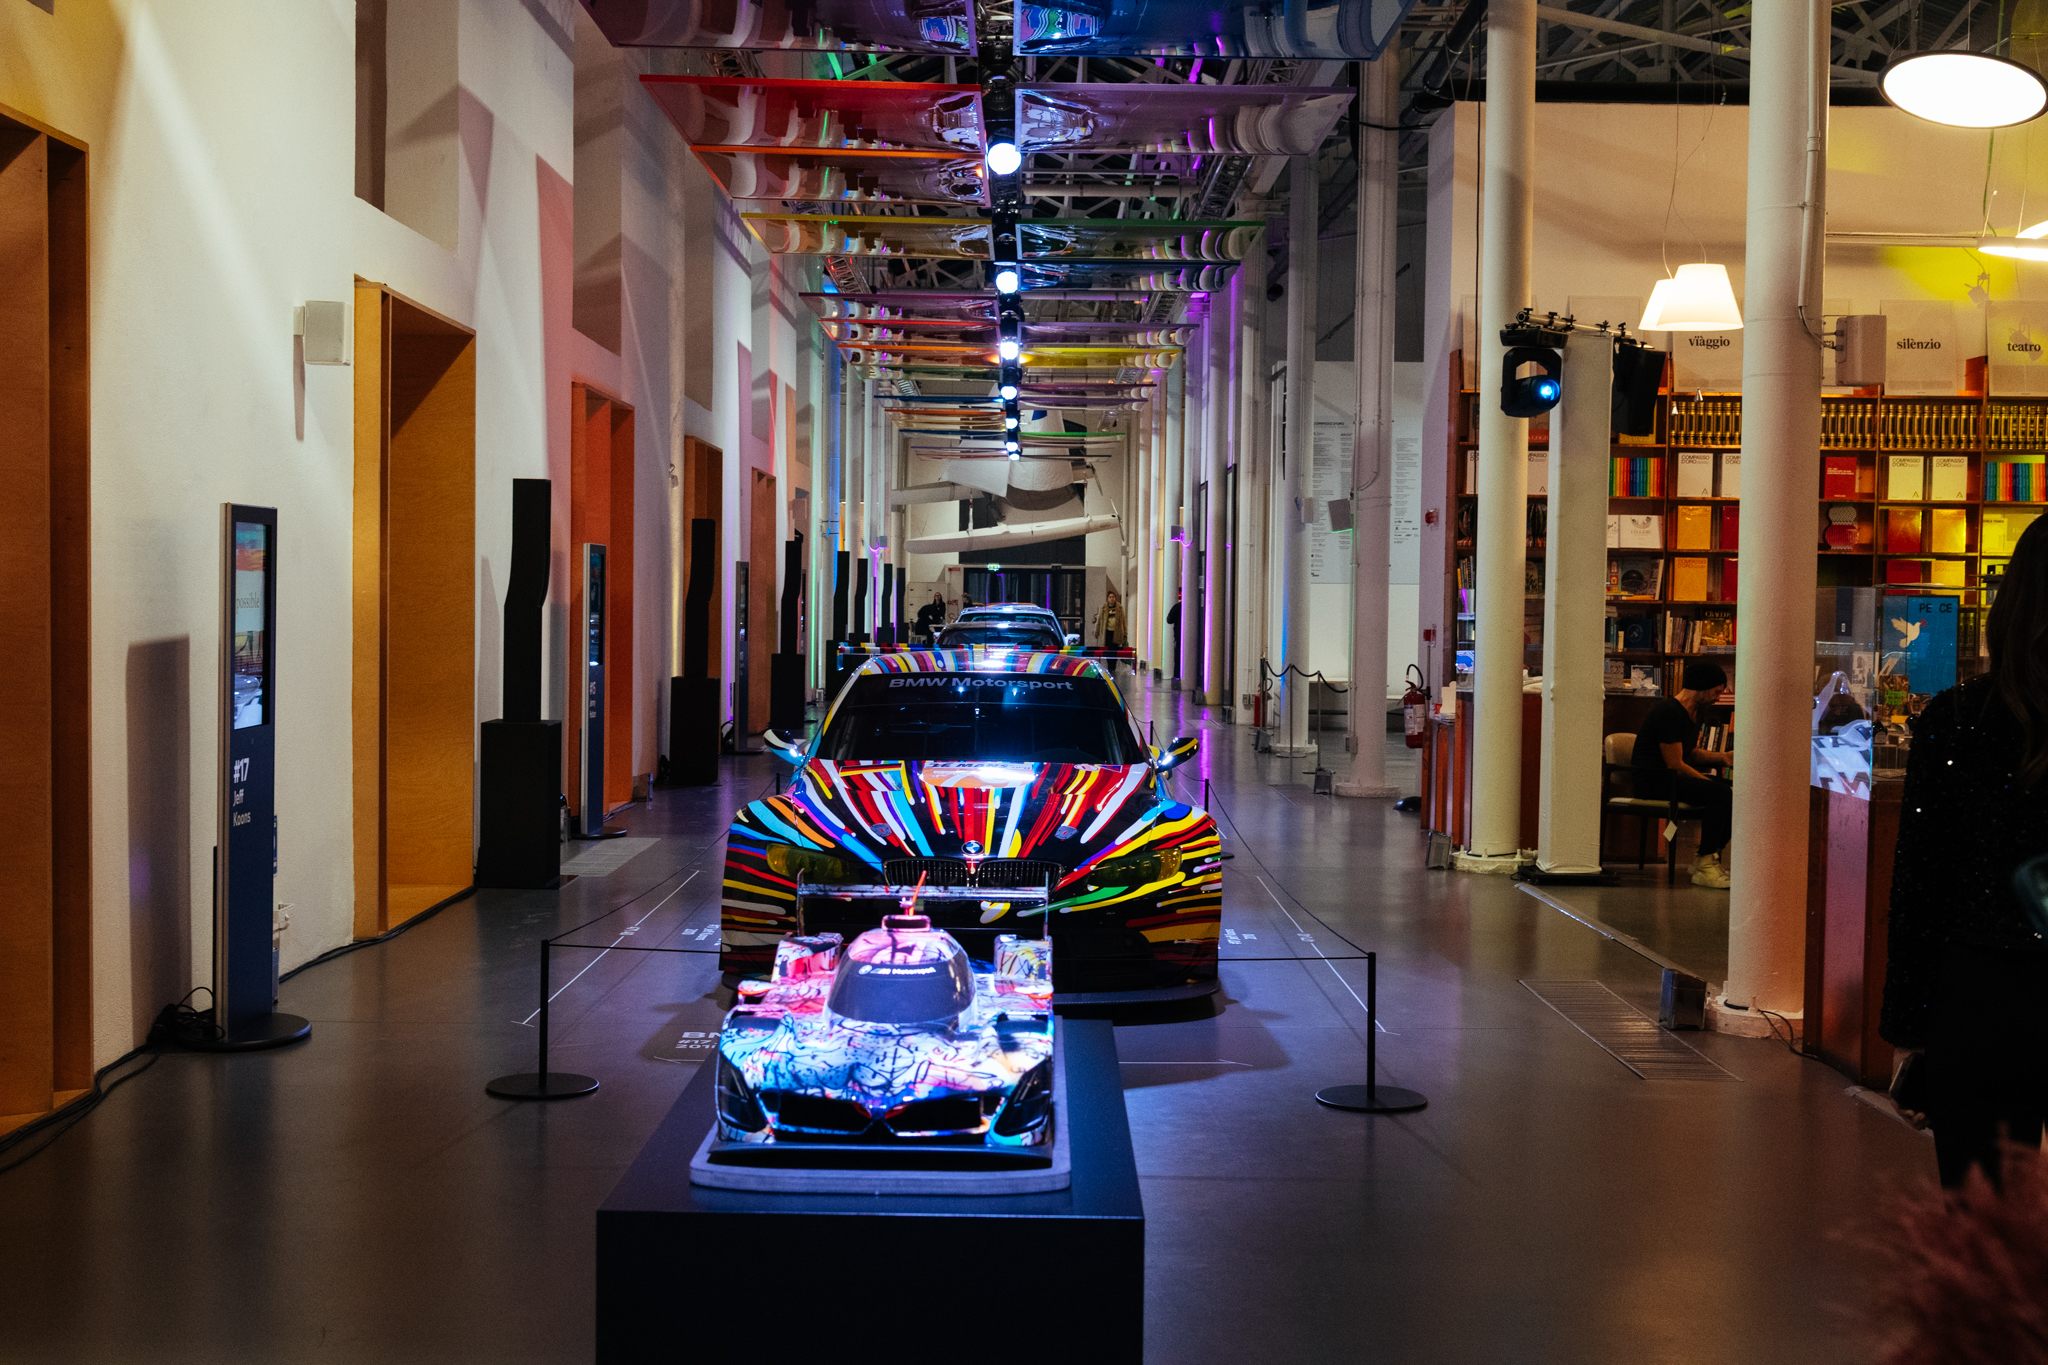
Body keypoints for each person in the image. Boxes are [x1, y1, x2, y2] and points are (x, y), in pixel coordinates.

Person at [1882, 514, 2048, 1189]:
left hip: (1984, 994)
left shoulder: (1956, 719)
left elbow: (1920, 886)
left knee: (1985, 1216)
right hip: (1985, 986)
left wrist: (1907, 1029)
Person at [1628, 660, 1734, 888]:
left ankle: (1708, 856)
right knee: (1722, 793)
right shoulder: (1670, 712)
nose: (1718, 698)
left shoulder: (1695, 712)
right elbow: (1675, 764)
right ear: (1703, 686)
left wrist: (1722, 757)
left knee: (1735, 792)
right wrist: (1710, 783)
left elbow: (1689, 753)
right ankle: (1705, 865)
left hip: (1671, 778)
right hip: (1654, 781)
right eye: (1716, 691)